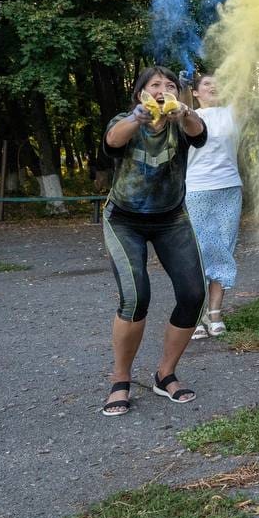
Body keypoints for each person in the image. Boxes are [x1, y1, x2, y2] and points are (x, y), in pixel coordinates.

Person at [99, 66, 207, 416]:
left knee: (193, 294)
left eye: (169, 85)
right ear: (140, 94)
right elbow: (113, 141)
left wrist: (186, 111)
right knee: (135, 297)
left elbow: (200, 133)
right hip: (124, 219)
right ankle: (120, 379)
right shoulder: (126, 120)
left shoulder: (181, 122)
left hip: (171, 218)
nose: (163, 89)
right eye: (154, 85)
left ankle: (165, 374)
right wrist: (137, 118)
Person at [185, 72, 242, 340]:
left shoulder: (232, 112)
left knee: (223, 249)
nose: (213, 86)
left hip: (230, 188)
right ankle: (195, 315)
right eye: (206, 84)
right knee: (198, 251)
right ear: (195, 92)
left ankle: (215, 312)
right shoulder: (186, 116)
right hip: (196, 188)